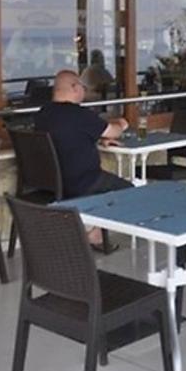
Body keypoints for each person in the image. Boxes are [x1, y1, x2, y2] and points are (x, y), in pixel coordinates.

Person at [34, 70, 131, 249]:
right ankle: (92, 231)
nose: (84, 91)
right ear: (74, 88)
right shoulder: (79, 115)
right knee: (131, 192)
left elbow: (67, 137)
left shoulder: (43, 114)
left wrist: (98, 138)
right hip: (83, 182)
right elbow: (113, 131)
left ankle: (92, 230)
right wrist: (122, 124)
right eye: (82, 87)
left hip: (50, 183)